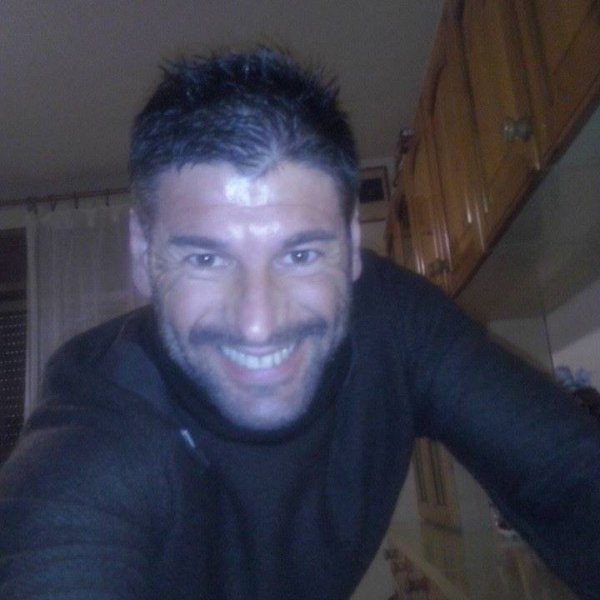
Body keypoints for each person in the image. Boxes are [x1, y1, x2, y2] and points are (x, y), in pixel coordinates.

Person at [0, 47, 599, 600]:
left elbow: (567, 473)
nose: (258, 325)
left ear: (351, 247)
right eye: (205, 260)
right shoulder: (95, 434)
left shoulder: (395, 320)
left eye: (301, 255)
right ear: (142, 254)